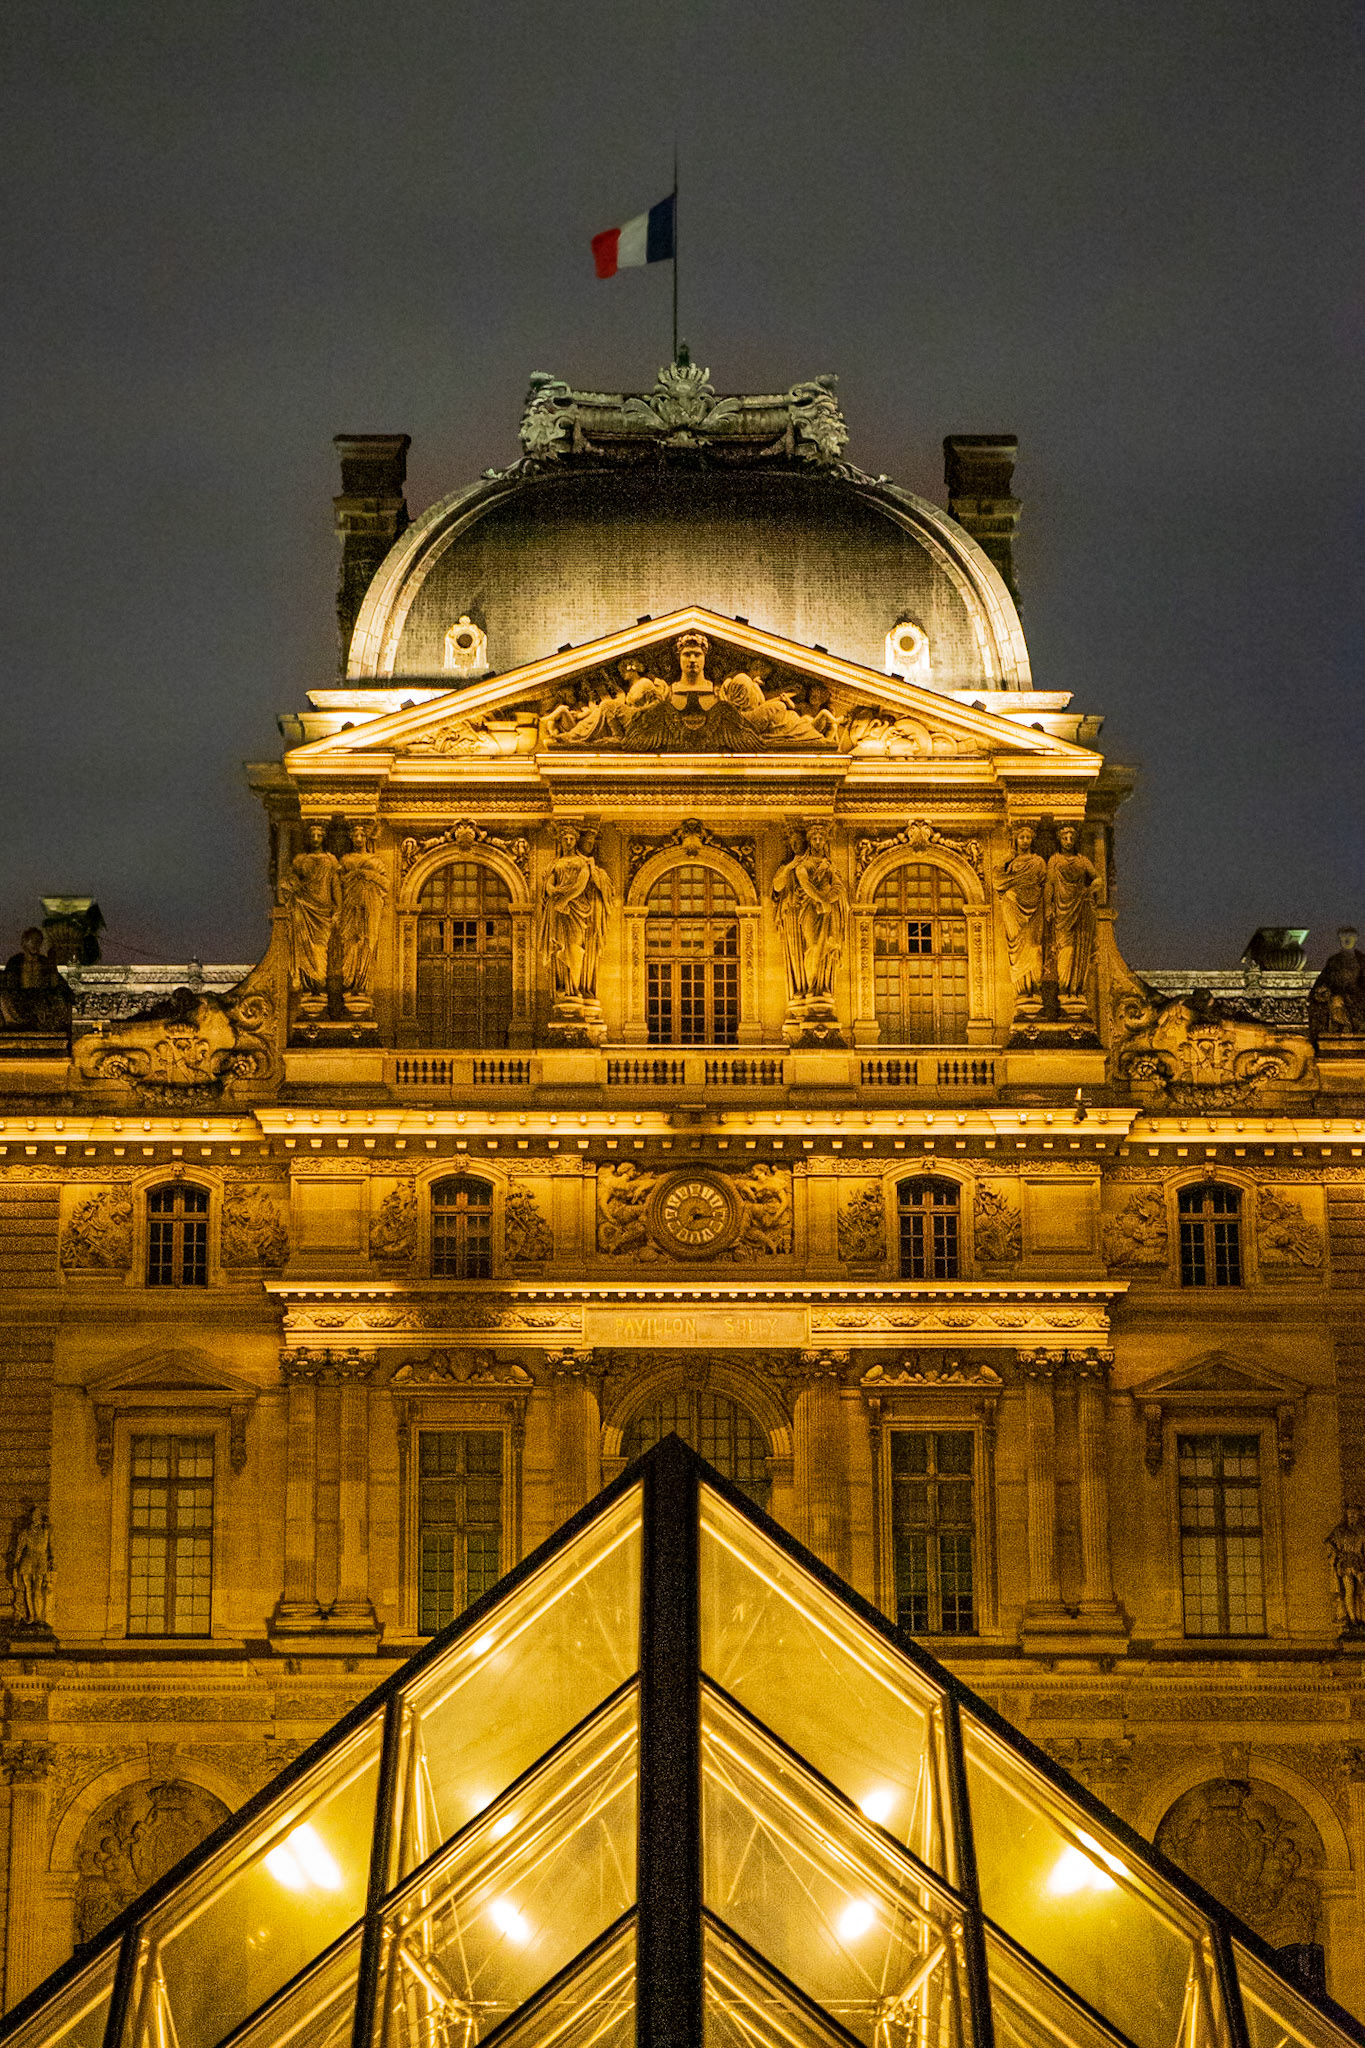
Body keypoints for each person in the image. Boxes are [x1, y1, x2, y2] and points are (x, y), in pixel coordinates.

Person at [538, 825, 615, 1001]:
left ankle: (575, 988)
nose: (568, 841)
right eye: (565, 838)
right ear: (560, 840)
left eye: (572, 838)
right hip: (557, 910)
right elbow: (549, 884)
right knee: (559, 946)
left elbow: (581, 884)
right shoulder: (555, 864)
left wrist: (565, 900)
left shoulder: (583, 862)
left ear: (576, 840)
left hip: (576, 908)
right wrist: (553, 892)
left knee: (575, 947)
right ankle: (565, 988)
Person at [279, 822, 341, 1011]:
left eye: (319, 835)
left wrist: (338, 907)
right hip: (304, 908)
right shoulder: (299, 860)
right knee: (306, 949)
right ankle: (311, 990)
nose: (315, 839)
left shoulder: (330, 860)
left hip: (323, 911)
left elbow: (335, 884)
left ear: (324, 838)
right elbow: (286, 882)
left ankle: (319, 986)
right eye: (312, 835)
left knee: (320, 950)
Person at [1046, 823, 1101, 1009]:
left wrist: (1088, 889)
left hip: (1079, 908)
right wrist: (1047, 906)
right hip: (1061, 911)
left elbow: (1098, 879)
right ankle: (1064, 988)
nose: (1068, 841)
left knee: (1078, 951)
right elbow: (1049, 885)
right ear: (1059, 839)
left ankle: (1074, 988)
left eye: (1071, 837)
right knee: (1065, 950)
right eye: (1065, 837)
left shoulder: (1083, 861)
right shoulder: (1054, 860)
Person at [337, 824, 388, 1011]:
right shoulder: (345, 859)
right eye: (355, 835)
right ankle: (351, 984)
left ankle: (363, 984)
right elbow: (336, 884)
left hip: (371, 905)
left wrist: (367, 874)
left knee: (368, 942)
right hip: (350, 906)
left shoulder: (376, 861)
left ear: (367, 838)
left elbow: (386, 884)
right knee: (351, 943)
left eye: (362, 835)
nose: (358, 839)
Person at [995, 825, 1047, 1010]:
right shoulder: (1011, 862)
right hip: (1014, 907)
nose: (1025, 840)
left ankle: (1033, 990)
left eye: (1028, 837)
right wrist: (1008, 857)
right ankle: (1023, 991)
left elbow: (1044, 885)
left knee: (1034, 947)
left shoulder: (1039, 861)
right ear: (1015, 840)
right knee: (1017, 949)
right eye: (1021, 837)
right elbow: (997, 878)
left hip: (1034, 908)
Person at [0, 927, 72, 1035]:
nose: (35, 943)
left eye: (38, 941)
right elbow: (7, 982)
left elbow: (57, 985)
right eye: (32, 940)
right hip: (19, 1000)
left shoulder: (44, 962)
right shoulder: (16, 961)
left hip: (39, 1001)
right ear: (24, 942)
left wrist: (53, 967)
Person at [1309, 927, 1365, 1040]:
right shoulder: (1334, 961)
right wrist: (1320, 991)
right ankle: (1344, 1027)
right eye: (1344, 937)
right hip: (1338, 995)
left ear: (1355, 938)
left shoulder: (1362, 960)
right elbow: (1323, 981)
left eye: (1350, 937)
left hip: (1359, 996)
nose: (1347, 940)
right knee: (1336, 1001)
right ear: (1340, 939)